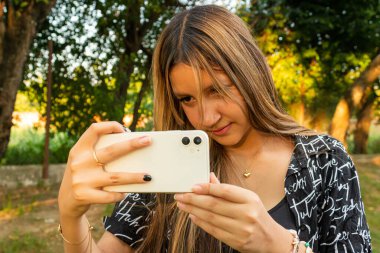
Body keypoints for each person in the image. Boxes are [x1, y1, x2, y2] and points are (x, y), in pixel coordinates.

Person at [58, 4, 372, 253]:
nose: (206, 118)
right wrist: (71, 217)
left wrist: (279, 246)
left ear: (250, 73)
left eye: (217, 90)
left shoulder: (324, 160)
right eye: (187, 99)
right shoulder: (167, 167)